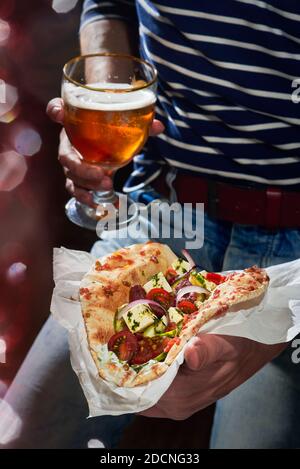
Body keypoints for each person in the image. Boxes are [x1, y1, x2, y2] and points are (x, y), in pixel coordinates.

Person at [1, 0, 300, 449]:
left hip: (294, 243)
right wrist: (102, 106)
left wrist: (282, 317)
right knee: (25, 437)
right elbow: (110, 5)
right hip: (161, 208)